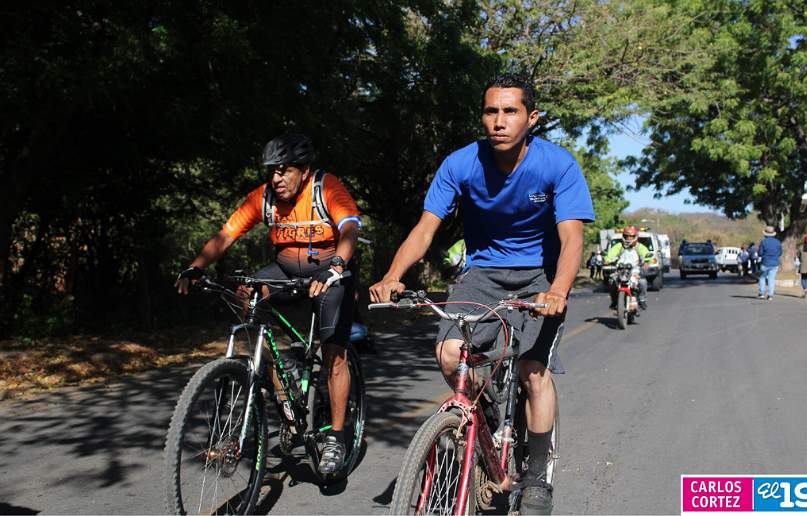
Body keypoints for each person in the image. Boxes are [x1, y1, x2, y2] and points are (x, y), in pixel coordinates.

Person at [369, 73, 594, 514]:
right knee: (450, 355)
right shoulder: (461, 164)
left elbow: (572, 239)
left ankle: (537, 476)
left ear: (532, 117)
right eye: (491, 111)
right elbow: (426, 228)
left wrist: (558, 290)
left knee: (532, 371)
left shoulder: (557, 164)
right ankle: (485, 420)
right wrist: (393, 275)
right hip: (482, 274)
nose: (499, 121)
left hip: (540, 277)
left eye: (510, 111)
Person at [175, 133, 361, 474]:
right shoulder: (264, 198)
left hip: (331, 270)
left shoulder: (325, 188)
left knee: (334, 352)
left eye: (284, 170)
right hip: (286, 270)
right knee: (246, 295)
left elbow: (349, 227)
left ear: (304, 171)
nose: (276, 178)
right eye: (272, 171)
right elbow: (226, 234)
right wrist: (196, 267)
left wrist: (337, 265)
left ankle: (336, 437)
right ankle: (282, 378)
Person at [604, 225, 652, 310]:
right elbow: (611, 254)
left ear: (635, 237)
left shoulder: (639, 247)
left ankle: (642, 299)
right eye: (627, 236)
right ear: (623, 236)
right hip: (620, 271)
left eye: (631, 236)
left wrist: (647, 261)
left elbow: (646, 254)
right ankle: (614, 301)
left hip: (635, 271)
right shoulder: (619, 246)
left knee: (642, 282)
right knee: (612, 281)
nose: (629, 238)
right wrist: (607, 260)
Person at [757, 226, 782, 300]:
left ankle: (762, 293)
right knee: (771, 279)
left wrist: (763, 255)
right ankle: (770, 295)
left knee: (762, 277)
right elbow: (780, 253)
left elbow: (760, 253)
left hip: (765, 262)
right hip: (775, 263)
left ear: (765, 234)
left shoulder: (763, 242)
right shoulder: (778, 242)